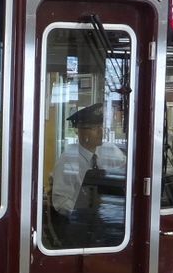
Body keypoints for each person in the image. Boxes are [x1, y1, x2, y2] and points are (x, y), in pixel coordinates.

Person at [50, 104, 126, 245]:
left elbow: (127, 179)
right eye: (94, 128)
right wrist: (83, 214)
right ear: (79, 132)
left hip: (113, 220)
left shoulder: (111, 151)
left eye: (101, 127)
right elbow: (60, 202)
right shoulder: (67, 159)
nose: (100, 132)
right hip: (81, 227)